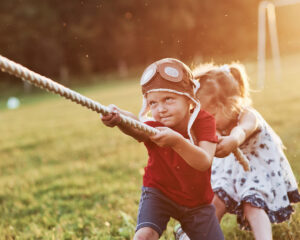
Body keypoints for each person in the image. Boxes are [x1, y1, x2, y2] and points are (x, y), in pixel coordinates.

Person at [101, 58, 224, 240]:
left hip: (197, 201)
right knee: (145, 235)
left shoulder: (204, 121)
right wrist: (119, 117)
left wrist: (177, 142)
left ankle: (184, 234)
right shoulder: (153, 125)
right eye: (153, 103)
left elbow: (204, 161)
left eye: (168, 99)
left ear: (188, 99)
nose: (161, 109)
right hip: (159, 192)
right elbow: (135, 124)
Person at [174, 63, 300, 240]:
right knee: (216, 200)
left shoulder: (248, 115)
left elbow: (242, 131)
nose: (207, 124)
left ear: (229, 105)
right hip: (231, 169)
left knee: (252, 205)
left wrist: (233, 140)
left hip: (257, 169)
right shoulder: (215, 124)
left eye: (210, 117)